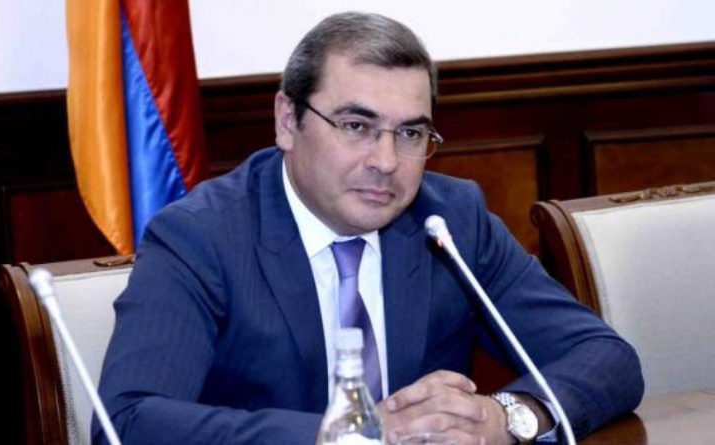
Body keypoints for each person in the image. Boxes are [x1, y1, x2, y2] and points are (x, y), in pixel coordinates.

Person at [95, 12, 643, 445]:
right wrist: (351, 434)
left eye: (410, 133)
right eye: (357, 126)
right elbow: (128, 419)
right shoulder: (202, 237)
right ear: (287, 121)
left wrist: (507, 416)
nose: (386, 161)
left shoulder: (449, 222)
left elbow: (606, 358)